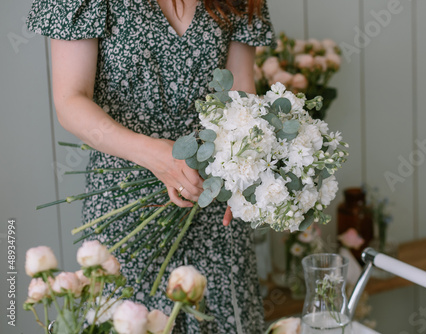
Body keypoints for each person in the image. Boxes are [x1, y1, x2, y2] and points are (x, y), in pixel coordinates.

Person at [26, 0, 275, 332]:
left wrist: (238, 173)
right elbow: (70, 100)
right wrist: (158, 157)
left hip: (212, 201)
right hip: (126, 209)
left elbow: (240, 94)